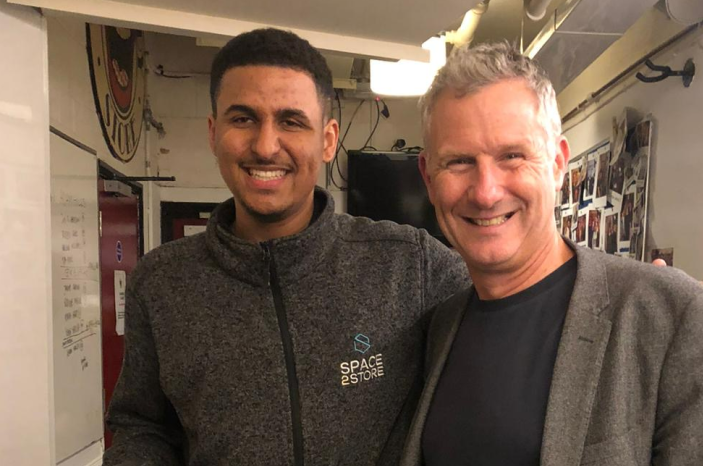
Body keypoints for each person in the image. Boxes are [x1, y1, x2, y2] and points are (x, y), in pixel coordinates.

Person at [103, 28, 470, 466]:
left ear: (328, 140)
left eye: (291, 121)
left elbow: (517, 306)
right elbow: (142, 427)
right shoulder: (162, 283)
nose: (264, 145)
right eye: (243, 119)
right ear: (213, 132)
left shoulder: (409, 263)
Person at [401, 42, 703, 465]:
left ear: (557, 164)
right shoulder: (438, 328)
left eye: (512, 156)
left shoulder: (672, 319)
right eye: (460, 162)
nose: (486, 192)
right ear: (428, 177)